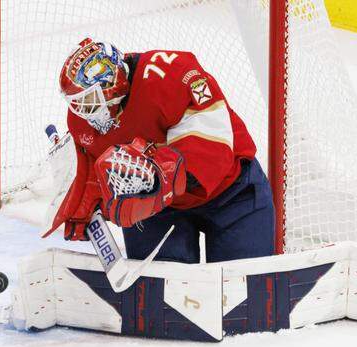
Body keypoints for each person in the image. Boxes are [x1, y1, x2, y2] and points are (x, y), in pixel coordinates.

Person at [44, 38, 274, 264]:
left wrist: (160, 174)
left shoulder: (172, 73)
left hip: (231, 191)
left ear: (113, 84)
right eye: (77, 103)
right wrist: (89, 197)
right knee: (161, 293)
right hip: (157, 209)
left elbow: (213, 149)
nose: (83, 110)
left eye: (89, 99)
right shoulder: (82, 119)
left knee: (243, 286)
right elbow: (93, 161)